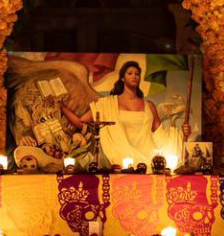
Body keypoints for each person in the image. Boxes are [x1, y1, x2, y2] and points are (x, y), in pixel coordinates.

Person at [60, 60, 190, 168]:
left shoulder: (149, 105)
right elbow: (80, 122)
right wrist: (62, 107)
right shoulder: (107, 104)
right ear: (122, 78)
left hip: (147, 162)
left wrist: (182, 134)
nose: (134, 76)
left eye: (137, 74)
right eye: (130, 73)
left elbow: (161, 135)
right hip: (120, 161)